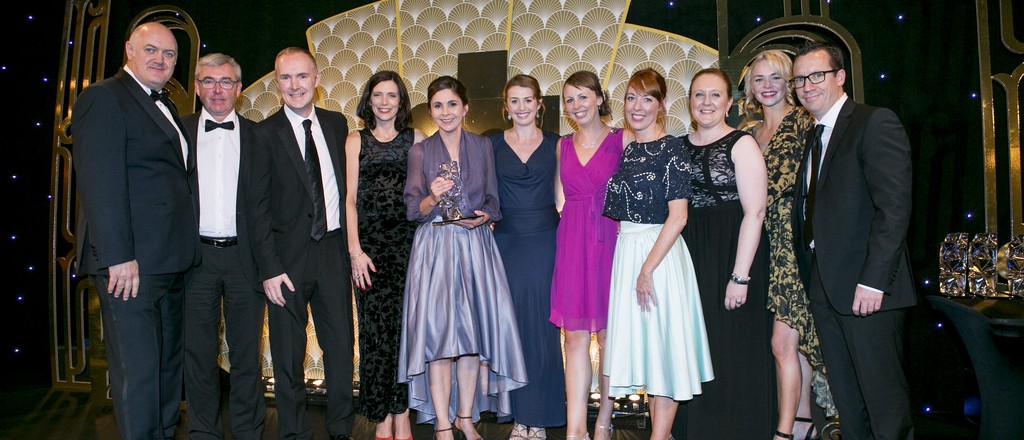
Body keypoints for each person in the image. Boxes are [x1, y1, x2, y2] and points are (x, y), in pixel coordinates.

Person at [71, 21, 199, 440]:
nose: (160, 59)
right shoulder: (104, 97)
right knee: (139, 372)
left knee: (166, 367)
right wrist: (117, 256)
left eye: (169, 54)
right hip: (130, 266)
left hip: (169, 262)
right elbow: (100, 183)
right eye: (151, 50)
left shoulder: (164, 105)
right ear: (129, 49)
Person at [791, 41, 915, 440]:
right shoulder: (815, 135)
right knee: (848, 404)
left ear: (840, 76)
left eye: (817, 75)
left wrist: (874, 281)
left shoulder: (873, 122)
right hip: (826, 288)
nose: (807, 86)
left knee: (884, 406)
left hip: (868, 290)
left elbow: (893, 209)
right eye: (799, 80)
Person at [397, 75, 527, 440]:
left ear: (465, 107)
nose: (445, 112)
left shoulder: (482, 145)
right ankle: (442, 423)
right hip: (435, 248)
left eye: (452, 104)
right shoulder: (420, 151)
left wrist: (485, 216)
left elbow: (492, 199)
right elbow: (413, 209)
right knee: (438, 340)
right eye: (437, 106)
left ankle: (465, 417)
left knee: (471, 341)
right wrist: (433, 196)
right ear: (431, 110)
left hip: (474, 246)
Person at [248, 47, 355, 440]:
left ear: (317, 79)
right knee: (288, 354)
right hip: (285, 262)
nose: (294, 85)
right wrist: (269, 268)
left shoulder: (337, 124)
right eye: (286, 77)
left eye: (302, 76)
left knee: (341, 348)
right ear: (277, 83)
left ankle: (341, 429)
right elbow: (256, 209)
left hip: (332, 251)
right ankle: (294, 433)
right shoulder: (263, 134)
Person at [602, 67, 713, 440]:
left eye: (647, 98)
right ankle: (661, 434)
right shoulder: (629, 148)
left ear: (661, 104)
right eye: (631, 98)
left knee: (665, 354)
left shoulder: (673, 148)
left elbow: (679, 216)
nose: (637, 106)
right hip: (629, 253)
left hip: (659, 257)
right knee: (650, 353)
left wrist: (647, 269)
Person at [740, 49, 838, 440]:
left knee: (784, 342)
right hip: (760, 245)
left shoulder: (803, 123)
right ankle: (803, 423)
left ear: (789, 84)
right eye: (759, 79)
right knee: (791, 344)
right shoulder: (749, 133)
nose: (767, 86)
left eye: (776, 77)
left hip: (791, 247)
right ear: (750, 87)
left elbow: (806, 185)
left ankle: (786, 431)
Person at [674, 67, 773, 440]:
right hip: (691, 254)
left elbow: (755, 213)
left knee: (731, 346)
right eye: (699, 94)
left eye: (715, 95)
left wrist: (740, 276)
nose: (706, 102)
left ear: (729, 102)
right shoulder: (678, 146)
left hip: (733, 252)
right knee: (695, 345)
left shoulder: (742, 144)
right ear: (689, 102)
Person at [181, 53, 266, 440]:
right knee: (198, 355)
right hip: (194, 260)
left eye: (226, 81)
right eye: (209, 81)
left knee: (246, 355)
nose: (217, 89)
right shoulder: (178, 132)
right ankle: (203, 432)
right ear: (197, 87)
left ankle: (248, 432)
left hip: (244, 259)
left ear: (239, 89)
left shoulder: (258, 136)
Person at [344, 70, 424, 440]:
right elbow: (349, 199)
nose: (384, 102)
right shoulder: (355, 140)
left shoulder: (416, 139)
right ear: (369, 99)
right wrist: (355, 251)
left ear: (401, 101)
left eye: (392, 95)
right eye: (378, 94)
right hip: (369, 252)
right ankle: (380, 416)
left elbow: (426, 194)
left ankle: (401, 412)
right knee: (374, 333)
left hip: (408, 248)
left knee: (404, 334)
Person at [489, 74, 567, 439]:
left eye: (527, 100)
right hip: (505, 244)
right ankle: (519, 417)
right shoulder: (490, 144)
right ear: (506, 106)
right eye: (514, 100)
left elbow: (564, 194)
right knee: (511, 331)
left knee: (544, 330)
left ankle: (540, 418)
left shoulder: (556, 144)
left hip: (546, 241)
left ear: (539, 104)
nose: (521, 107)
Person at [550, 70, 622, 440]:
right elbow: (559, 200)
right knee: (574, 339)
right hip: (573, 244)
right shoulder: (562, 146)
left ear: (599, 98)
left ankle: (603, 421)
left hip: (611, 241)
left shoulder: (623, 139)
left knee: (609, 338)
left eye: (583, 96)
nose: (576, 105)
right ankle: (575, 429)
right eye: (570, 99)